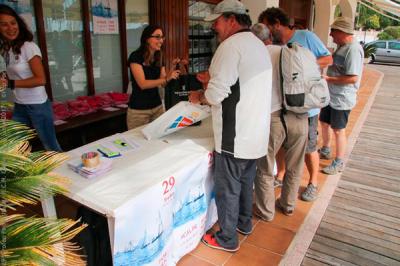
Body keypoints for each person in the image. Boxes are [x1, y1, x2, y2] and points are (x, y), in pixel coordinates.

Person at [189, 0, 272, 252]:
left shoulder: (230, 46)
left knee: (228, 189)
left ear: (231, 20)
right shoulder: (258, 45)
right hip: (256, 134)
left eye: (217, 20)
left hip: (234, 136)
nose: (214, 25)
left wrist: (199, 96)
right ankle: (244, 224)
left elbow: (216, 94)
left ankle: (226, 238)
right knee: (246, 183)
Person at [258, 7, 332, 205]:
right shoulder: (277, 46)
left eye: (266, 25)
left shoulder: (305, 36)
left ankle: (313, 183)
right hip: (284, 110)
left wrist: (299, 64)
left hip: (306, 107)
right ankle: (280, 178)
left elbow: (328, 58)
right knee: (284, 147)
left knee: (308, 148)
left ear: (276, 24)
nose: (265, 30)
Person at [251, 22, 309, 219]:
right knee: (295, 164)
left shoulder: (259, 56)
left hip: (274, 117)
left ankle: (265, 211)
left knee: (265, 167)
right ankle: (288, 204)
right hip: (300, 116)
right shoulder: (292, 52)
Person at [0, 4, 61, 151]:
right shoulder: (6, 49)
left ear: (19, 24)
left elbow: (41, 79)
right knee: (13, 145)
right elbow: (9, 73)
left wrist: (10, 83)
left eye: (13, 23)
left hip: (38, 105)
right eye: (4, 25)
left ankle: (62, 173)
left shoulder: (28, 47)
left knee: (50, 148)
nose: (10, 28)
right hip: (20, 105)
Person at [320, 17, 364, 175]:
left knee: (339, 129)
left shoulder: (352, 49)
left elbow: (353, 77)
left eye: (334, 31)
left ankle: (339, 161)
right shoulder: (342, 46)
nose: (331, 34)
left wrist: (329, 79)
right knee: (324, 123)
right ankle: (325, 148)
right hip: (331, 95)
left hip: (341, 98)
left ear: (343, 32)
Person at [127, 25, 181, 130]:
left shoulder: (159, 56)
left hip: (157, 108)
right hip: (139, 111)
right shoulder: (135, 56)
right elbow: (142, 84)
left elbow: (163, 83)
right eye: (157, 37)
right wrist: (165, 79)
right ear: (147, 39)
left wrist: (172, 69)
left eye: (162, 37)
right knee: (139, 144)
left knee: (158, 140)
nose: (161, 40)